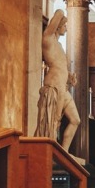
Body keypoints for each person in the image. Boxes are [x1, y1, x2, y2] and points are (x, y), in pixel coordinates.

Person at [34, 9, 80, 153]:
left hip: (63, 87)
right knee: (53, 121)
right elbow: (59, 13)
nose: (66, 28)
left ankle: (64, 152)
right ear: (58, 25)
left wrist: (70, 77)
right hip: (53, 86)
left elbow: (61, 67)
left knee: (75, 120)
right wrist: (61, 13)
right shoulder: (48, 38)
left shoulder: (59, 46)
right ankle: (49, 151)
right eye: (65, 25)